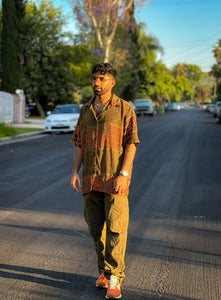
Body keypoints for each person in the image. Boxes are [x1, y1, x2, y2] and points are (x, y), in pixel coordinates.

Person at [71, 63, 139, 299]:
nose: (96, 83)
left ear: (112, 82)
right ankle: (103, 271)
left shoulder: (124, 109)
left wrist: (124, 174)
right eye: (94, 79)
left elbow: (131, 143)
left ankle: (114, 277)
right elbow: (78, 142)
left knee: (116, 228)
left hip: (115, 180)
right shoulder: (85, 110)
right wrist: (74, 173)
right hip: (90, 179)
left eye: (101, 79)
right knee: (95, 228)